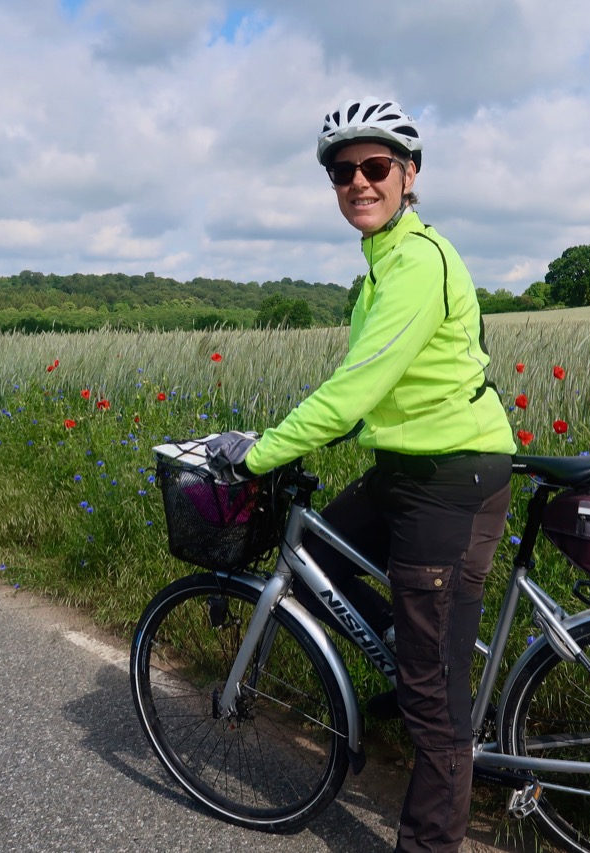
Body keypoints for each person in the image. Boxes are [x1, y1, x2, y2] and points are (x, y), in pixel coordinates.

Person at [206, 97, 515, 853]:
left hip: (450, 481)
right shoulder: (384, 265)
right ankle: (405, 656)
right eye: (342, 173)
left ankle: (428, 831)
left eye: (375, 167)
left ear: (409, 175)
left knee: (435, 703)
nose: (358, 183)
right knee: (319, 562)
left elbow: (354, 391)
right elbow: (367, 388)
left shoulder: (413, 265)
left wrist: (258, 453)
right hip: (406, 470)